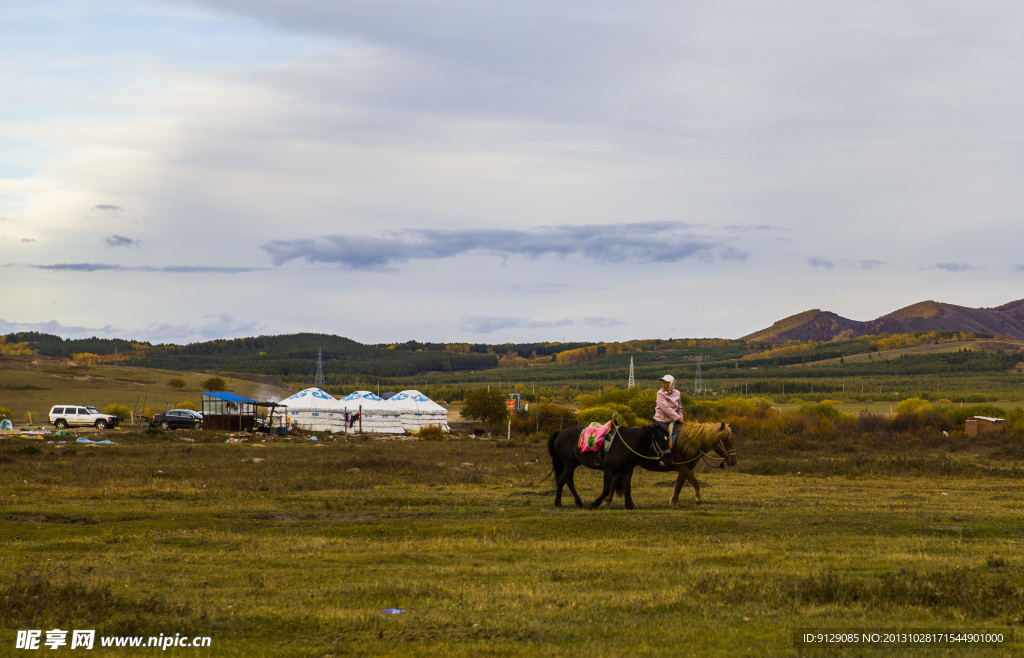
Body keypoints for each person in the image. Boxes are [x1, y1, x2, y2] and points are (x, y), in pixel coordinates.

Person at [654, 375, 684, 446]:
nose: (663, 384)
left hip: (674, 420)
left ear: (671, 384)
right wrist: (678, 418)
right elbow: (665, 408)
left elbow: (679, 408)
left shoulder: (677, 393)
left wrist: (681, 418)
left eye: (666, 383)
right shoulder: (660, 393)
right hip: (661, 421)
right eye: (663, 383)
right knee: (664, 440)